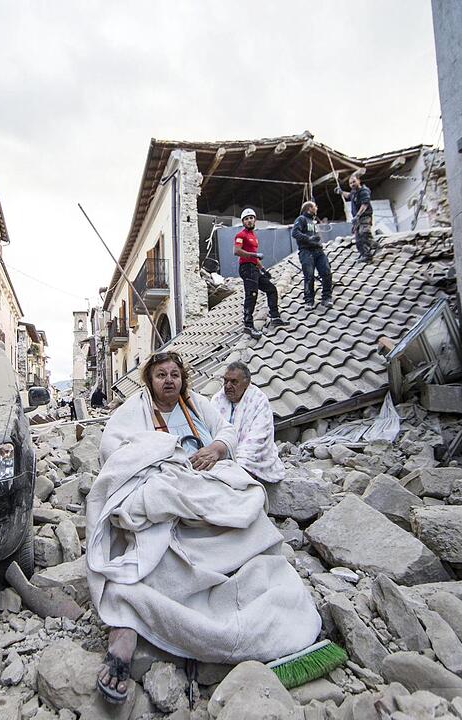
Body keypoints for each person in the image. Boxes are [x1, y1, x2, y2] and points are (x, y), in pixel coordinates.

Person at [88, 351, 320, 704]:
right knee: (149, 519)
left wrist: (214, 448)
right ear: (150, 381)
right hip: (164, 477)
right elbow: (112, 448)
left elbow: (227, 431)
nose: (169, 380)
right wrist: (159, 453)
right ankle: (138, 620)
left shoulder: (195, 405)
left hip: (207, 476)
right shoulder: (136, 409)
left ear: (183, 379)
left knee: (247, 502)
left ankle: (244, 590)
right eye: (161, 375)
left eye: (175, 375)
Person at [210, 361, 285, 484]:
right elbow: (208, 431)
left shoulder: (259, 401)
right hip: (221, 457)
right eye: (226, 381)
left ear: (247, 384)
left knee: (236, 481)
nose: (228, 386)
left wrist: (236, 463)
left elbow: (258, 438)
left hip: (249, 458)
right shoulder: (217, 399)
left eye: (234, 382)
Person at [233, 207, 285, 339]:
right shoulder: (241, 235)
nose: (249, 221)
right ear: (243, 222)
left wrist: (263, 270)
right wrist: (254, 254)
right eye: (246, 219)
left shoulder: (253, 237)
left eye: (251, 218)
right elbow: (237, 251)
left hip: (254, 268)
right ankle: (248, 326)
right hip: (246, 268)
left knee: (271, 289)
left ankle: (274, 316)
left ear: (255, 219)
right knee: (252, 295)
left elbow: (255, 258)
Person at [291, 200, 332, 310]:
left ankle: (326, 298)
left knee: (326, 272)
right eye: (315, 206)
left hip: (318, 251)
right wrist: (308, 238)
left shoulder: (313, 221)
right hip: (306, 252)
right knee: (309, 276)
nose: (316, 208)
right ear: (309, 208)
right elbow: (294, 233)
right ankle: (309, 301)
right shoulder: (301, 219)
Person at [340, 173, 375, 261]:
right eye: (350, 183)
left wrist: (357, 215)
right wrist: (340, 192)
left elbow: (364, 205)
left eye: (354, 182)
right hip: (358, 219)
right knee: (358, 240)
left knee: (364, 233)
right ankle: (366, 256)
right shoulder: (354, 192)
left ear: (359, 181)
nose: (352, 184)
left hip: (364, 217)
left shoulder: (363, 191)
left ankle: (376, 246)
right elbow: (349, 195)